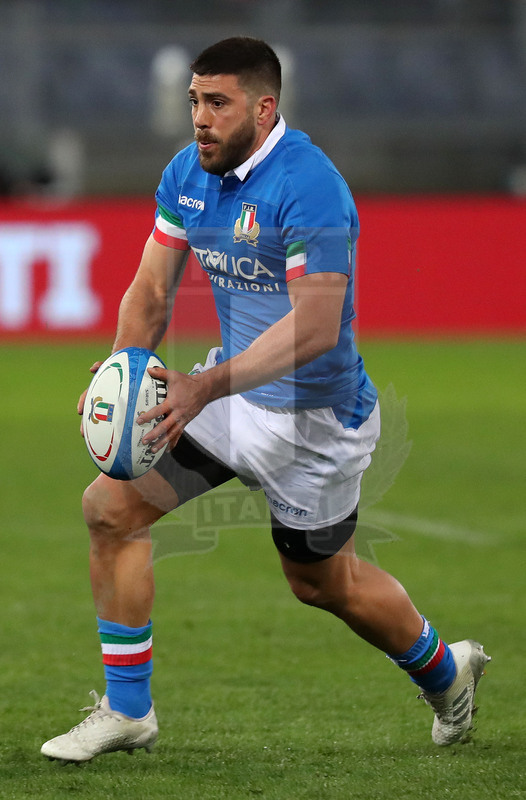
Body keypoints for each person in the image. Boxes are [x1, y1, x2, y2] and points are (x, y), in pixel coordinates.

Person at [41, 37, 489, 763]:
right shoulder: (189, 173)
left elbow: (314, 328)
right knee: (111, 509)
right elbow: (152, 289)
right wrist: (127, 367)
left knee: (321, 585)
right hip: (225, 400)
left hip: (317, 425)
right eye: (194, 101)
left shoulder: (310, 186)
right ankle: (129, 713)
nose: (200, 119)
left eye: (217, 103)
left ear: (264, 106)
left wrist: (201, 386)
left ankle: (447, 670)